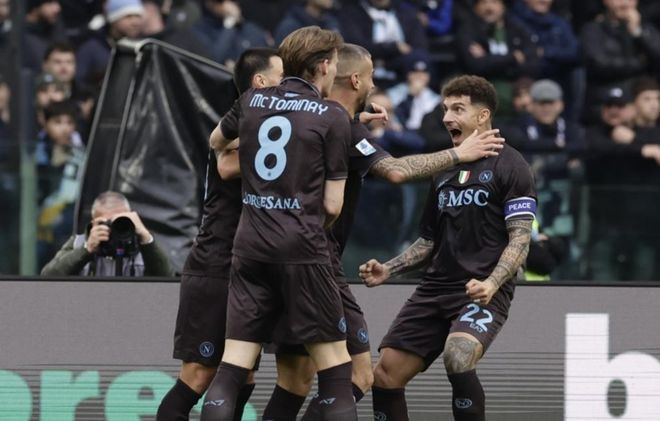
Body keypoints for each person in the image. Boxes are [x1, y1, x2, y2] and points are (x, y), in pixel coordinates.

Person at [264, 44, 506, 421]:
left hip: (265, 251)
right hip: (316, 261)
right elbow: (395, 171)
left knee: (292, 379)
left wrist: (355, 119)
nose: (374, 84)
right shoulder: (342, 125)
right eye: (371, 76)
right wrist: (459, 154)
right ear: (354, 79)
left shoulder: (288, 114)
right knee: (360, 376)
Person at [359, 75, 536, 421]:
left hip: (481, 289)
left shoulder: (511, 165)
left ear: (483, 116)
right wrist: (389, 269)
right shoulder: (443, 168)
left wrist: (491, 283)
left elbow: (520, 238)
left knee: (458, 354)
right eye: (445, 109)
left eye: (458, 109)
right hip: (435, 288)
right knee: (385, 374)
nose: (446, 118)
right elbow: (430, 239)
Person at [201, 26, 356, 420]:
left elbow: (216, 141)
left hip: (250, 246)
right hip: (302, 248)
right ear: (324, 66)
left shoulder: (251, 100)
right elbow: (333, 205)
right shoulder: (333, 116)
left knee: (233, 365)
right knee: (336, 371)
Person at [156, 47, 283, 421]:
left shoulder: (274, 126)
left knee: (244, 377)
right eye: (282, 77)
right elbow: (227, 166)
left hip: (250, 268)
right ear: (260, 82)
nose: (290, 85)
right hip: (217, 263)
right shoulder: (239, 122)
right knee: (198, 375)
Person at [40, 191, 173, 276]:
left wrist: (146, 238)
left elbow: (167, 279)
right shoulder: (79, 243)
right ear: (93, 223)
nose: (114, 230)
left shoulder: (145, 247)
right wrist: (86, 250)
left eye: (120, 222)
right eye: (107, 224)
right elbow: (48, 277)